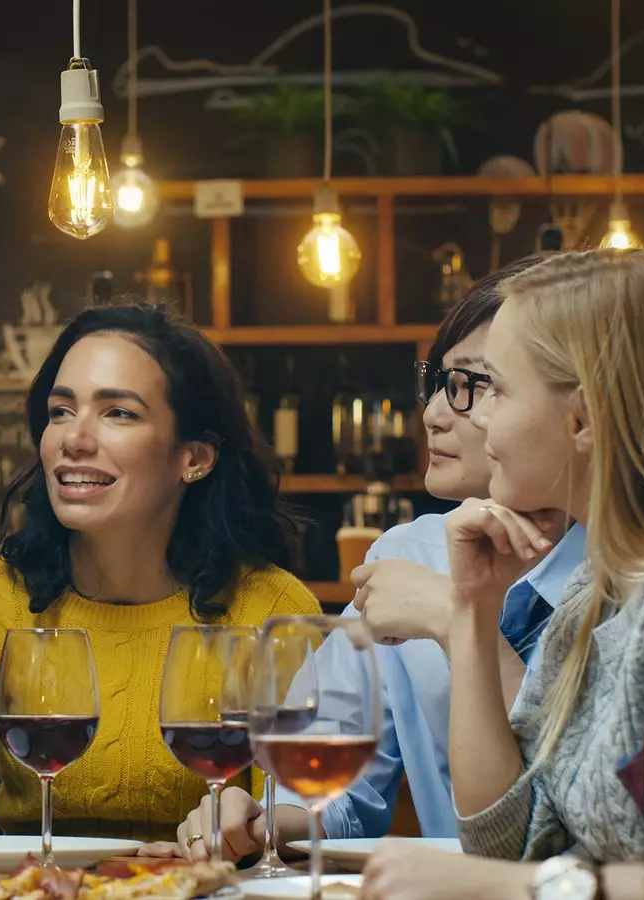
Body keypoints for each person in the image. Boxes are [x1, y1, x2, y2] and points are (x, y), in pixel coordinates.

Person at [357, 248, 644, 898]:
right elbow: (507, 839)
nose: (474, 419)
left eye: (497, 390)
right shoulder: (597, 586)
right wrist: (473, 609)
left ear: (583, 419)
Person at [166, 257, 588, 862]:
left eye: (474, 386)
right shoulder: (409, 555)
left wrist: (454, 619)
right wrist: (263, 820)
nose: (434, 414)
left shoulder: (630, 575)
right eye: (438, 384)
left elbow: (571, 817)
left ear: (579, 409)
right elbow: (331, 782)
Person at [0, 304, 321, 842]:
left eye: (119, 413)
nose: (74, 439)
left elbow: (288, 841)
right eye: (60, 410)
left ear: (195, 457)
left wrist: (256, 826)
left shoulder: (273, 612)